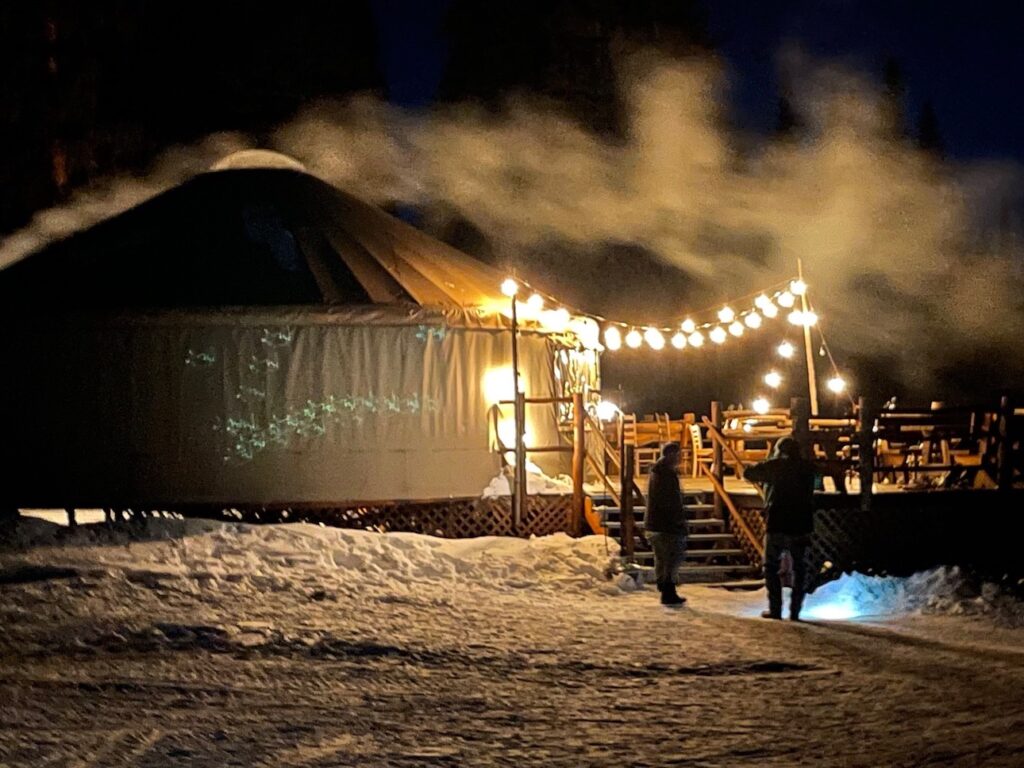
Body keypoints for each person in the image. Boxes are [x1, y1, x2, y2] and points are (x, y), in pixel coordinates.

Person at [744, 437, 817, 621]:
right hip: (801, 523)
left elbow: (749, 473)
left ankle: (775, 609)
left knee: (771, 566)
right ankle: (795, 611)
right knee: (800, 568)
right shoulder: (806, 467)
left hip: (778, 522)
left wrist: (766, 461)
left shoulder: (776, 466)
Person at [644, 442, 688, 606]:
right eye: (678, 455)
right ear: (671, 455)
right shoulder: (666, 475)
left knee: (662, 558)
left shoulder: (658, 472)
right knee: (671, 558)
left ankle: (664, 587)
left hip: (655, 523)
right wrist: (678, 520)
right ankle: (668, 590)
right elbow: (670, 501)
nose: (680, 458)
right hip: (665, 524)